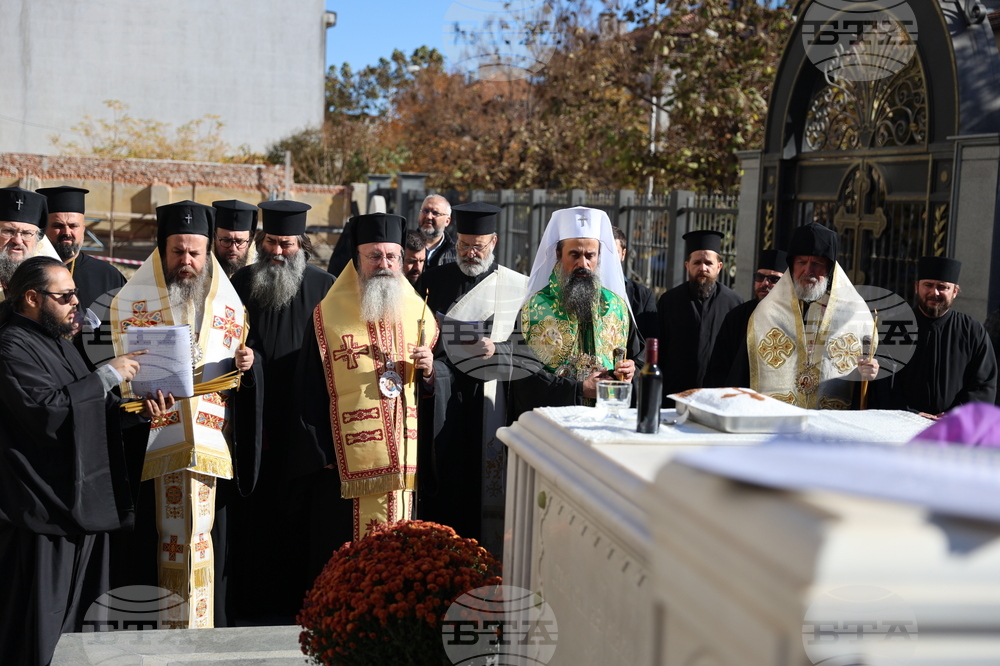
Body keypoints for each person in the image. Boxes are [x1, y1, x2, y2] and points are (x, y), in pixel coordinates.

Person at [0, 256, 164, 666]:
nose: (77, 302)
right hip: (42, 510)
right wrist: (107, 375)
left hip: (81, 506)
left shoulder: (58, 341)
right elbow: (47, 414)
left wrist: (134, 415)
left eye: (76, 293)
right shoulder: (11, 346)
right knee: (43, 625)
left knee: (84, 621)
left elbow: (92, 413)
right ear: (32, 298)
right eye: (66, 295)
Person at [108, 200, 261, 629]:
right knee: (158, 541)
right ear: (162, 249)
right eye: (178, 251)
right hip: (153, 444)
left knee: (205, 540)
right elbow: (117, 383)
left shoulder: (227, 304)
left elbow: (237, 369)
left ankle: (204, 631)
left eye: (195, 252)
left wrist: (249, 364)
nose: (187, 261)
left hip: (212, 447)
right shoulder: (130, 303)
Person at [295, 212, 437, 583]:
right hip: (346, 466)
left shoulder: (420, 312)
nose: (385, 265)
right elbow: (309, 385)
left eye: (392, 256)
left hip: (406, 465)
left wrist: (431, 370)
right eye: (374, 256)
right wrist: (323, 452)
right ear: (357, 259)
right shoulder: (328, 314)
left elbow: (438, 384)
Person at [228, 199, 335, 620]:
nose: (276, 251)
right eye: (270, 241)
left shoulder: (325, 286)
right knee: (255, 524)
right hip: (255, 421)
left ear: (301, 245)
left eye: (286, 244)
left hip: (304, 424)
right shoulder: (242, 281)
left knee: (299, 524)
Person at [417, 202, 528, 553]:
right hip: (444, 399)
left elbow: (529, 348)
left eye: (477, 246)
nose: (470, 253)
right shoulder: (434, 280)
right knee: (446, 480)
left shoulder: (516, 288)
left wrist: (496, 350)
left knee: (485, 488)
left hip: (491, 401)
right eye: (463, 245)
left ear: (493, 241)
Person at [512, 206, 638, 414]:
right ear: (559, 255)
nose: (583, 263)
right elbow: (523, 375)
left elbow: (637, 358)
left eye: (590, 255)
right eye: (575, 255)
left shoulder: (617, 307)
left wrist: (631, 370)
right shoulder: (533, 309)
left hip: (604, 417)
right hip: (553, 420)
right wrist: (578, 390)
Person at [745, 222, 878, 408]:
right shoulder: (766, 313)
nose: (808, 270)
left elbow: (870, 379)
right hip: (777, 421)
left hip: (830, 424)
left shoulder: (855, 314)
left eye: (816, 263)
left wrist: (870, 374)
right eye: (801, 262)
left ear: (829, 269)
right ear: (791, 267)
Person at [876, 256, 997, 416]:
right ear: (916, 287)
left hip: (954, 429)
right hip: (901, 425)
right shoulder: (895, 327)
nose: (935, 292)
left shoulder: (972, 331)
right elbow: (882, 382)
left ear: (955, 291)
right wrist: (911, 414)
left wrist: (954, 415)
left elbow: (983, 384)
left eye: (943, 287)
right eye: (928, 285)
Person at [37, 186, 127, 368]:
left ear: (83, 229)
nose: (67, 233)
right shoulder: (31, 272)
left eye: (73, 226)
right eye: (57, 226)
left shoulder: (109, 276)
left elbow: (125, 331)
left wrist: (87, 331)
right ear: (43, 228)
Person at [656, 230, 743, 404]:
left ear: (719, 267)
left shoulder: (734, 303)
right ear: (687, 265)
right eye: (697, 262)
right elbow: (659, 349)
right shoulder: (669, 301)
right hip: (674, 396)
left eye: (708, 263)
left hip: (717, 398)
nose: (703, 268)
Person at [704, 249, 787, 387]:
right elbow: (718, 367)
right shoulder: (736, 316)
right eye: (760, 277)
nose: (764, 284)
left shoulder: (793, 319)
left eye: (774, 279)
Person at [0, 186, 61, 298]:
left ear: (37, 238)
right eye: (8, 231)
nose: (18, 241)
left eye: (26, 233)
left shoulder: (49, 285)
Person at [612, 225, 658, 342]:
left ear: (623, 254)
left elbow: (650, 341)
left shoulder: (643, 297)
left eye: (613, 252)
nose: (608, 258)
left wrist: (635, 361)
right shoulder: (585, 291)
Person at [212, 199, 258, 278]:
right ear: (214, 238)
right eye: (226, 241)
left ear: (250, 241)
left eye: (239, 241)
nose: (233, 249)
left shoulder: (258, 272)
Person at [418, 194, 456, 269]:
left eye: (435, 213)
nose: (429, 216)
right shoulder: (404, 245)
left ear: (447, 221)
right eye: (425, 211)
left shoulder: (457, 252)